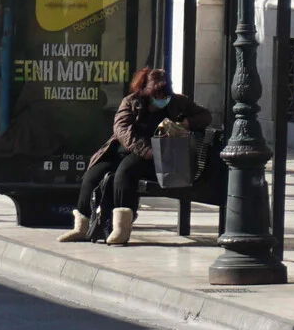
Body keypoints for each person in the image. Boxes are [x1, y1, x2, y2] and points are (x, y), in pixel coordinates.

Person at [68, 66, 211, 246]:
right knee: (92, 175)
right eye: (156, 95)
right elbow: (122, 130)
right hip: (131, 149)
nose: (161, 100)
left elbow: (205, 116)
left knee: (124, 173)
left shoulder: (177, 102)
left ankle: (121, 228)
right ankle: (81, 226)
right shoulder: (130, 102)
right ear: (146, 91)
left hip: (158, 156)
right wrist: (144, 150)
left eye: (164, 96)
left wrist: (185, 123)